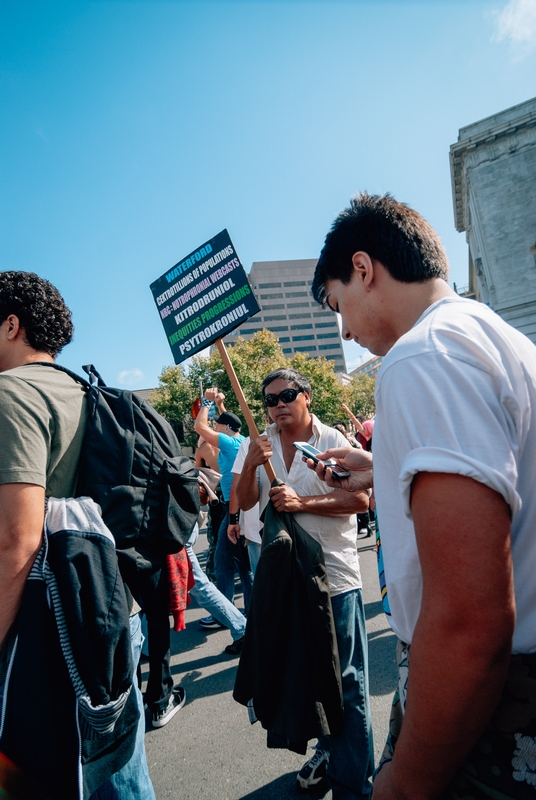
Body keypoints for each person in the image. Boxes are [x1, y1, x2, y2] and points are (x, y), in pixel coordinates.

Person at [309, 191, 536, 800]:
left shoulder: (421, 358)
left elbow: (470, 616)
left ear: (364, 268)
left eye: (339, 306)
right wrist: (383, 472)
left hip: (490, 703)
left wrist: (407, 781)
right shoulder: (498, 339)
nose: (347, 332)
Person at [0, 271, 155, 798]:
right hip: (114, 607)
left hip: (53, 628)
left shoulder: (10, 394)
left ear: (11, 324)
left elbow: (14, 541)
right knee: (121, 774)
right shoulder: (83, 388)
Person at [235, 367, 374, 799]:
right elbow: (242, 504)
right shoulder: (258, 445)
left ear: (306, 396)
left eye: (286, 395)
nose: (277, 406)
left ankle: (354, 785)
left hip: (335, 579)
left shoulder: (333, 442)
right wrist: (252, 466)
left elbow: (360, 499)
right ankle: (328, 750)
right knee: (312, 679)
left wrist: (303, 501)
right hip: (288, 585)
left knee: (347, 686)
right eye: (269, 399)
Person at [194, 388, 253, 655]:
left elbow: (199, 426)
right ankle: (243, 616)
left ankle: (231, 617)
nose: (214, 428)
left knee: (224, 564)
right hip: (240, 507)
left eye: (219, 426)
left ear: (226, 429)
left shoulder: (229, 442)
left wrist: (206, 401)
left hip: (234, 509)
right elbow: (228, 423)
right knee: (239, 566)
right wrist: (220, 405)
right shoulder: (240, 439)